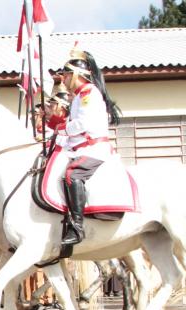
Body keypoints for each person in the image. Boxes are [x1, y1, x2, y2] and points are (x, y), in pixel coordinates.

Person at [57, 45, 122, 245]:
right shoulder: (79, 96)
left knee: (72, 174)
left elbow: (83, 125)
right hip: (80, 148)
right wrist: (59, 138)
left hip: (93, 150)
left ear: (77, 74)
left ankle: (77, 226)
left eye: (66, 75)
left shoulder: (88, 94)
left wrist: (63, 129)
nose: (64, 79)